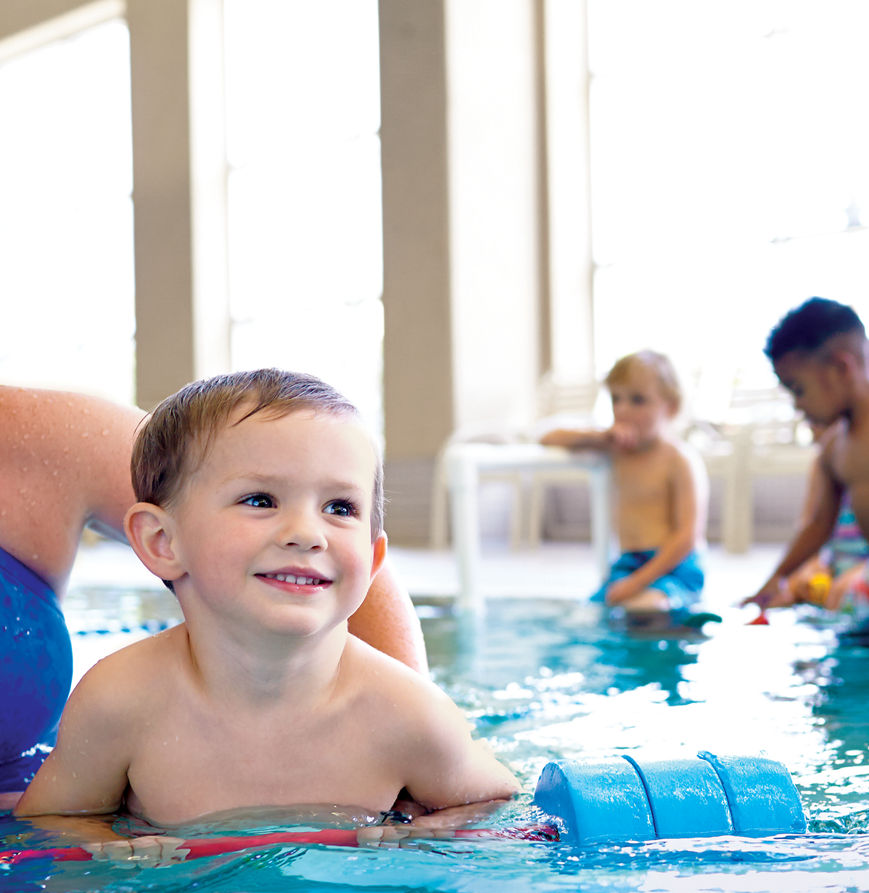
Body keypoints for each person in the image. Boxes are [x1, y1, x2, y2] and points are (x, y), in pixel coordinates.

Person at [15, 369, 518, 844]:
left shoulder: (407, 715)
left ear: (373, 556)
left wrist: (433, 833)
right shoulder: (121, 700)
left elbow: (499, 801)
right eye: (260, 500)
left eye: (339, 508)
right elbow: (51, 817)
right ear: (162, 541)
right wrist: (105, 847)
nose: (305, 534)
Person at [539, 350, 708, 615]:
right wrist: (600, 436)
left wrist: (636, 583)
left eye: (637, 400)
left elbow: (687, 537)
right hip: (630, 562)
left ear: (671, 406)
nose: (622, 410)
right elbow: (548, 437)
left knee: (648, 610)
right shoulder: (615, 449)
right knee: (589, 614)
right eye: (616, 399)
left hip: (675, 565)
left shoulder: (678, 459)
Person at [744, 298, 869, 610]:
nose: (797, 405)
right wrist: (774, 581)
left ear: (842, 368)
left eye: (798, 389)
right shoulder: (834, 448)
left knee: (851, 595)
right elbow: (818, 524)